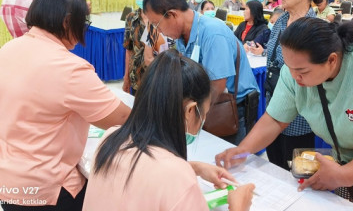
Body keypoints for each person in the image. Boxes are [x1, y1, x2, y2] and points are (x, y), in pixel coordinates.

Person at [216, 18, 353, 203]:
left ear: (332, 60)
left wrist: (344, 175)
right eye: (290, 68)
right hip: (343, 161)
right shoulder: (294, 71)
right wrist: (243, 150)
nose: (294, 77)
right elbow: (276, 119)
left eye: (302, 71)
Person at [0, 0, 131, 211]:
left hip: (9, 183)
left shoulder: (8, 49)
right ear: (67, 22)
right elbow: (121, 118)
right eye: (84, 22)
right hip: (48, 188)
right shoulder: (69, 67)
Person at [83, 50, 255, 211]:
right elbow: (164, 175)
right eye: (205, 113)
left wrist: (194, 167)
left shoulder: (111, 137)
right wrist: (239, 206)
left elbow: (143, 173)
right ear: (190, 111)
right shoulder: (178, 178)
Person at [143, 0, 259, 145]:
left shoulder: (212, 33)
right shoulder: (182, 34)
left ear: (172, 15)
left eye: (157, 24)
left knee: (227, 163)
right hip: (206, 105)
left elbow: (217, 85)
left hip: (229, 108)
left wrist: (193, 118)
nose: (159, 31)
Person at [249, 0, 321, 170]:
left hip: (298, 118)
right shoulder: (281, 21)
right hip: (274, 110)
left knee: (297, 172)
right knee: (274, 166)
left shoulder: (313, 29)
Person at [122, 0, 154, 95]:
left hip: (157, 78)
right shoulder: (131, 17)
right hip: (137, 77)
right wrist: (126, 78)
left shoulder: (162, 17)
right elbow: (129, 50)